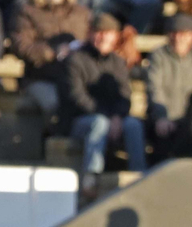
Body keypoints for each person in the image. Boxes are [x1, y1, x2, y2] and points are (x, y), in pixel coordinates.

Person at [62, 14, 146, 184]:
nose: (103, 37)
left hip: (112, 118)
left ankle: (140, 176)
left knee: (133, 125)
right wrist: (108, 116)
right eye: (98, 32)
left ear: (115, 36)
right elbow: (77, 97)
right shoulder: (75, 59)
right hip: (80, 120)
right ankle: (91, 177)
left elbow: (125, 96)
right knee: (99, 123)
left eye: (108, 32)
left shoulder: (118, 62)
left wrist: (117, 116)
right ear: (90, 33)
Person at [144, 14, 192, 156]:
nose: (178, 38)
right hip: (164, 120)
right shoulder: (159, 56)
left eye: (183, 34)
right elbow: (154, 89)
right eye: (174, 33)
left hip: (191, 121)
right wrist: (161, 116)